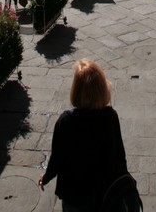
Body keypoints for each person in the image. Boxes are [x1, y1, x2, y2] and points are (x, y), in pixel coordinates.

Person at [39, 59, 129, 211]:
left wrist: (46, 178)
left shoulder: (66, 121)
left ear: (76, 90)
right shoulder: (110, 117)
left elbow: (57, 159)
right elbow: (119, 155)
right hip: (105, 195)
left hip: (75, 196)